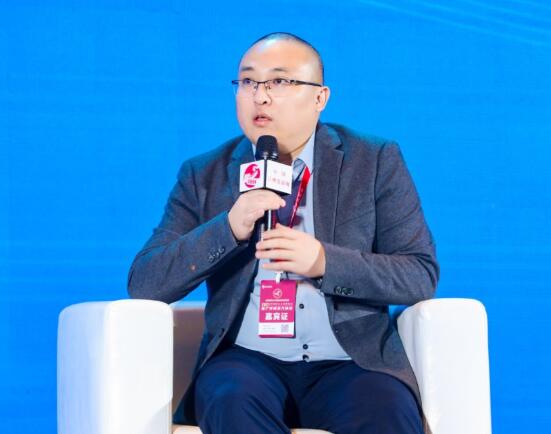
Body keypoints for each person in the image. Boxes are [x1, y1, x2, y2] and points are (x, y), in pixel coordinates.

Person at [128, 32, 439, 434]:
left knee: (387, 409)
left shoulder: (374, 160)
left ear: (319, 97)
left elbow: (418, 274)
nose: (260, 97)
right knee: (230, 397)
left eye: (279, 81)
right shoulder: (204, 174)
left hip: (351, 360)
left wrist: (323, 262)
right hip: (247, 360)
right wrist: (229, 228)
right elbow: (145, 282)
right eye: (248, 82)